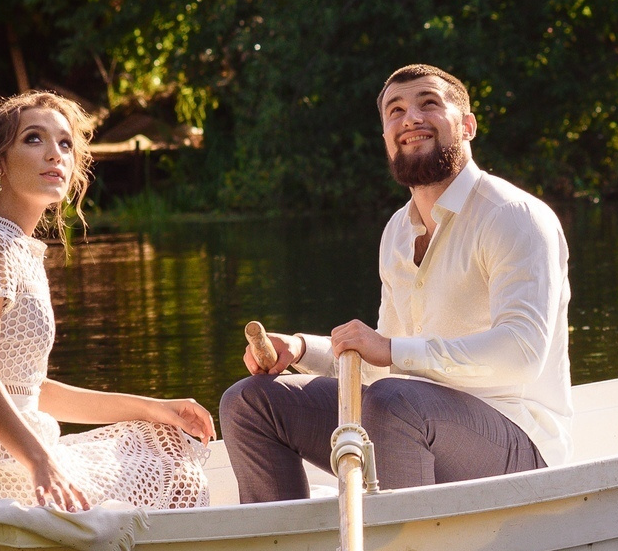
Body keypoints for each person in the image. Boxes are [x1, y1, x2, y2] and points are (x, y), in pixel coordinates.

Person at [220, 64, 571, 501]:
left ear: (467, 126)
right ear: (387, 137)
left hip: (518, 443)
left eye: (429, 103)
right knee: (250, 402)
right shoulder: (397, 232)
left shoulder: (513, 216)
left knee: (391, 403)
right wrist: (301, 349)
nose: (410, 118)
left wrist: (390, 351)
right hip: (405, 415)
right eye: (396, 110)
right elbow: (386, 362)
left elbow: (521, 354)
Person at [0, 90, 216, 510]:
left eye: (65, 143)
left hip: (21, 447)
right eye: (34, 139)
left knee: (163, 436)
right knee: (177, 472)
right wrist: (41, 463)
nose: (55, 154)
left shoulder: (15, 246)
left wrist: (155, 408)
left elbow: (31, 390)